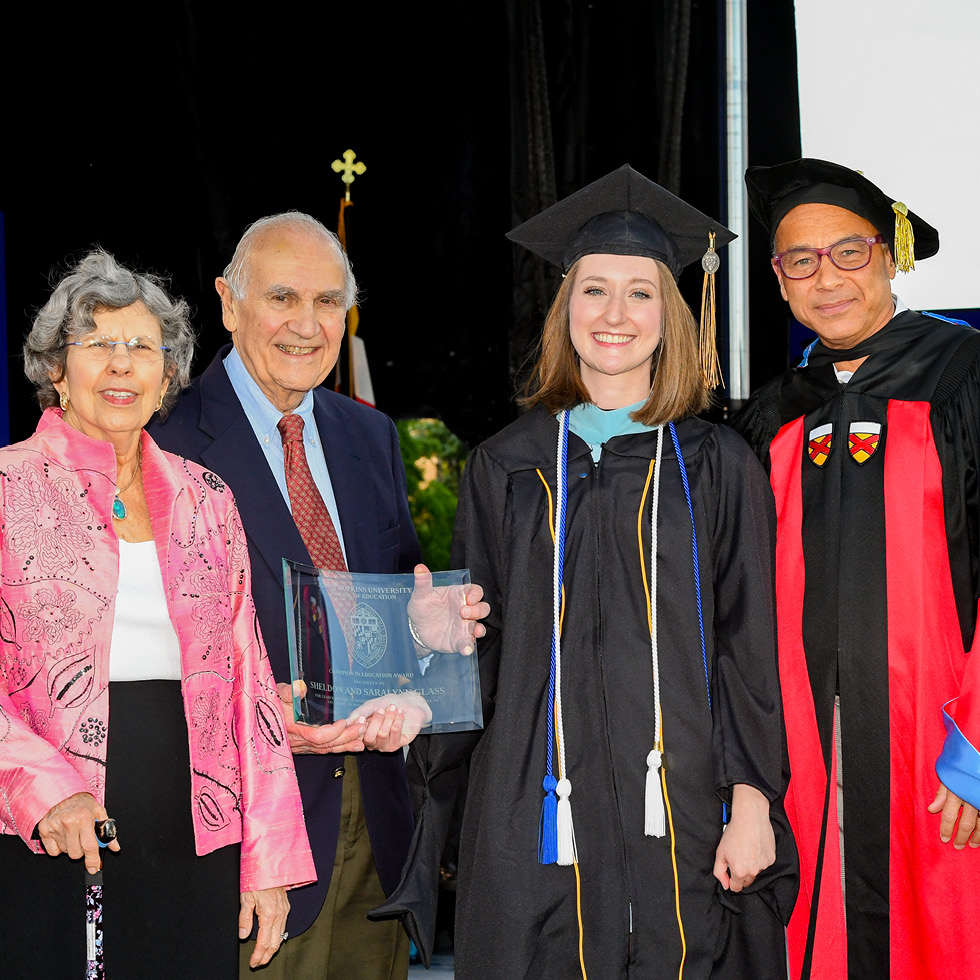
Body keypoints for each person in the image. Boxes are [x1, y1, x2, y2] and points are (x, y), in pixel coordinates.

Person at [376, 165, 798, 980]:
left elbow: (750, 643)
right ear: (563, 311)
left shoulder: (717, 464)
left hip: (684, 798)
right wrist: (428, 650)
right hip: (535, 801)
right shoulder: (506, 465)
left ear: (670, 316)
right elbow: (479, 649)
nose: (615, 315)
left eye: (640, 292)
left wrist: (753, 799)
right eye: (593, 290)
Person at [148, 211, 487, 979]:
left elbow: (384, 608)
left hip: (375, 824)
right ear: (229, 306)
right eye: (282, 298)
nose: (307, 325)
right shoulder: (161, 442)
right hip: (246, 838)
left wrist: (425, 630)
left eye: (329, 302)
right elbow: (133, 657)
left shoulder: (369, 436)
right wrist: (254, 718)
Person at [0, 250, 315, 979]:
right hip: (46, 830)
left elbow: (250, 690)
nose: (121, 365)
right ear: (55, 368)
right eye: (97, 344)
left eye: (142, 347)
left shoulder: (208, 498)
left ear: (167, 375)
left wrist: (266, 860)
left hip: (193, 834)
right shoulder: (9, 490)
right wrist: (48, 790)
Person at [730, 157, 980, 979]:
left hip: (939, 746)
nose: (824, 278)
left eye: (849, 251)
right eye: (799, 260)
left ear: (890, 253)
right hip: (807, 756)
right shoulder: (773, 410)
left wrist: (975, 751)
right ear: (777, 279)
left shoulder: (962, 376)